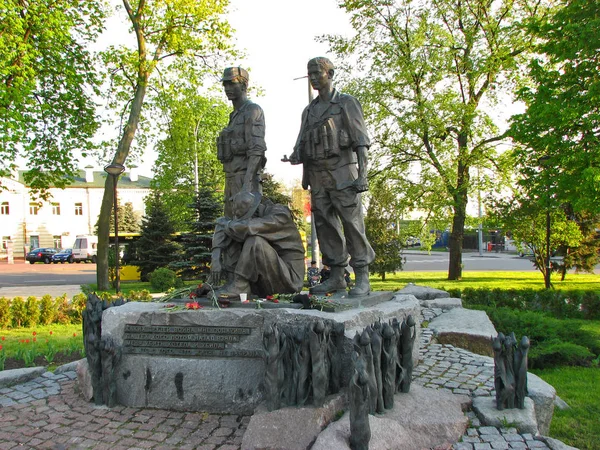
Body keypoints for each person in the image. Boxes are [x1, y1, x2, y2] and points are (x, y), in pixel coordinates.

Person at [288, 57, 375, 296]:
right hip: (317, 174)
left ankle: (362, 276)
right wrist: (296, 156)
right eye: (310, 74)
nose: (314, 78)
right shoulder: (309, 111)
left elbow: (361, 141)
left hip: (343, 171)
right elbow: (301, 144)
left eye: (318, 73)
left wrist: (363, 175)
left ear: (331, 73)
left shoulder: (346, 103)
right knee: (325, 225)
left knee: (352, 223)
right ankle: (337, 275)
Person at [209, 191, 305, 298]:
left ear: (253, 211)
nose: (241, 221)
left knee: (255, 241)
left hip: (289, 280)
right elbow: (224, 224)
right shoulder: (257, 216)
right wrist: (215, 260)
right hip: (265, 280)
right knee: (234, 231)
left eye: (243, 218)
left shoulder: (279, 215)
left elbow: (249, 226)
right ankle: (232, 282)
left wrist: (227, 225)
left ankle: (240, 285)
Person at [217, 67, 267, 218]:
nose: (227, 88)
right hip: (231, 180)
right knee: (230, 228)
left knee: (245, 229)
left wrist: (247, 186)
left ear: (244, 85)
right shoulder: (234, 116)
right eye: (225, 85)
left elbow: (256, 150)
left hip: (245, 180)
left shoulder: (252, 110)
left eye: (232, 84)